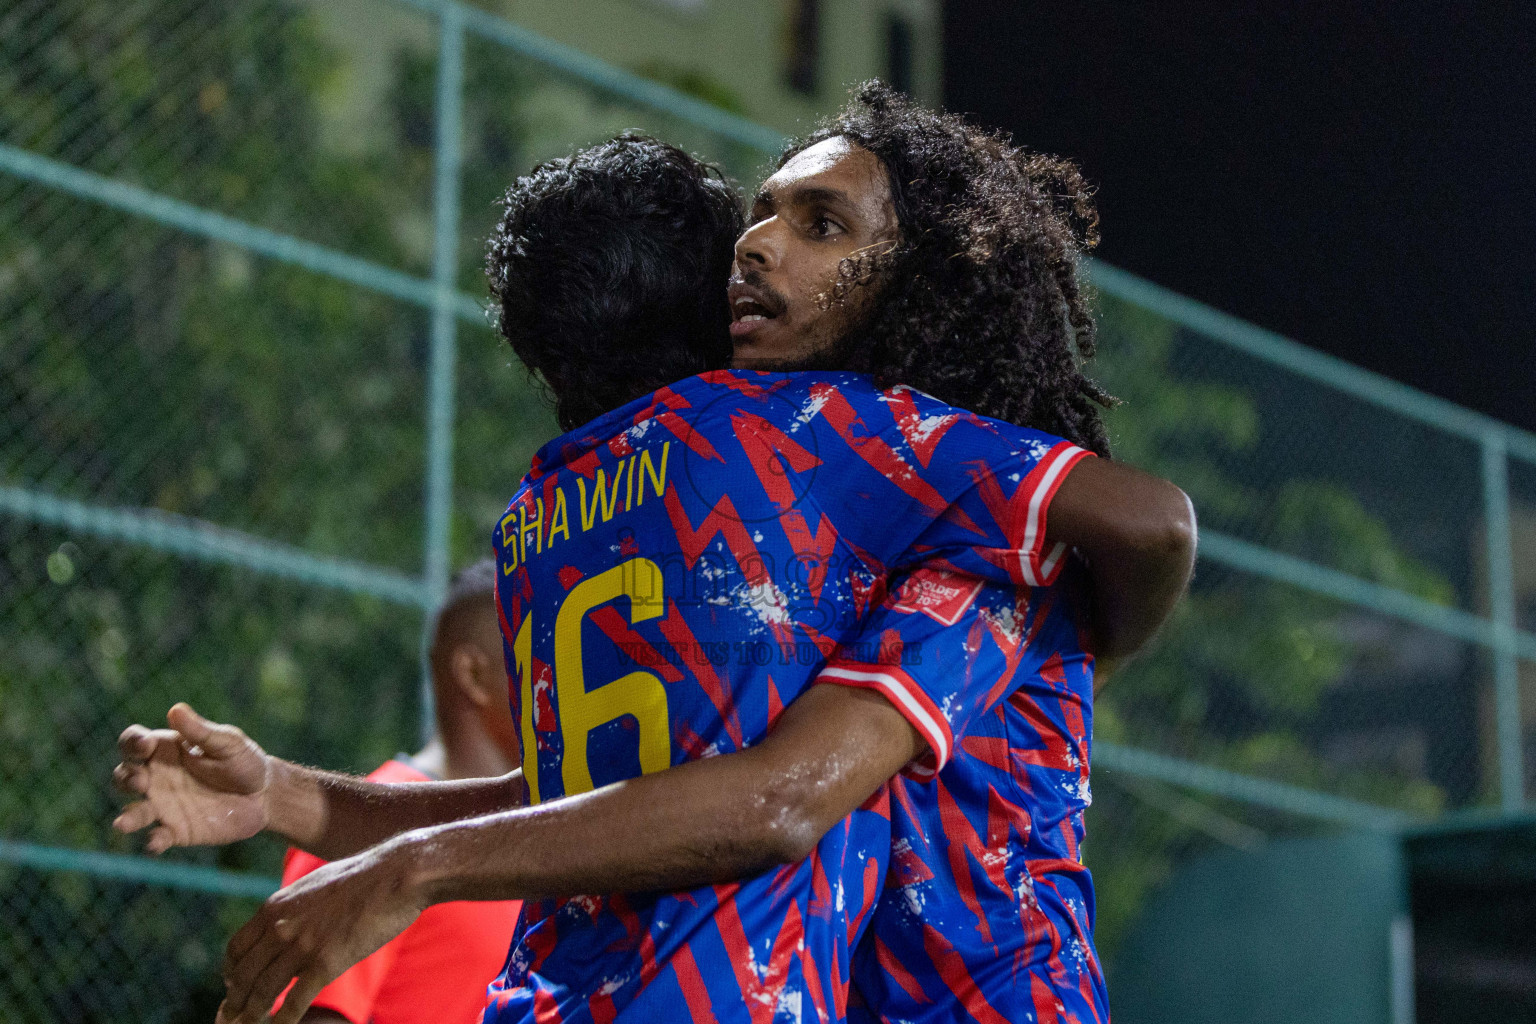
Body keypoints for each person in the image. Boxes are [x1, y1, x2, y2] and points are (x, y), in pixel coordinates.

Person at [113, 107, 1192, 1024]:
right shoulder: (814, 491)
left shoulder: (943, 533)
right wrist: (295, 796)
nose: (759, 243)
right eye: (761, 212)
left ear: (932, 278)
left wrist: (1092, 629)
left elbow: (775, 800)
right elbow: (602, 804)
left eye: (819, 221)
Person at [275, 560, 522, 1024]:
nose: (563, 676)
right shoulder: (363, 823)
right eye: (538, 652)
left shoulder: (549, 834)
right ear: (473, 674)